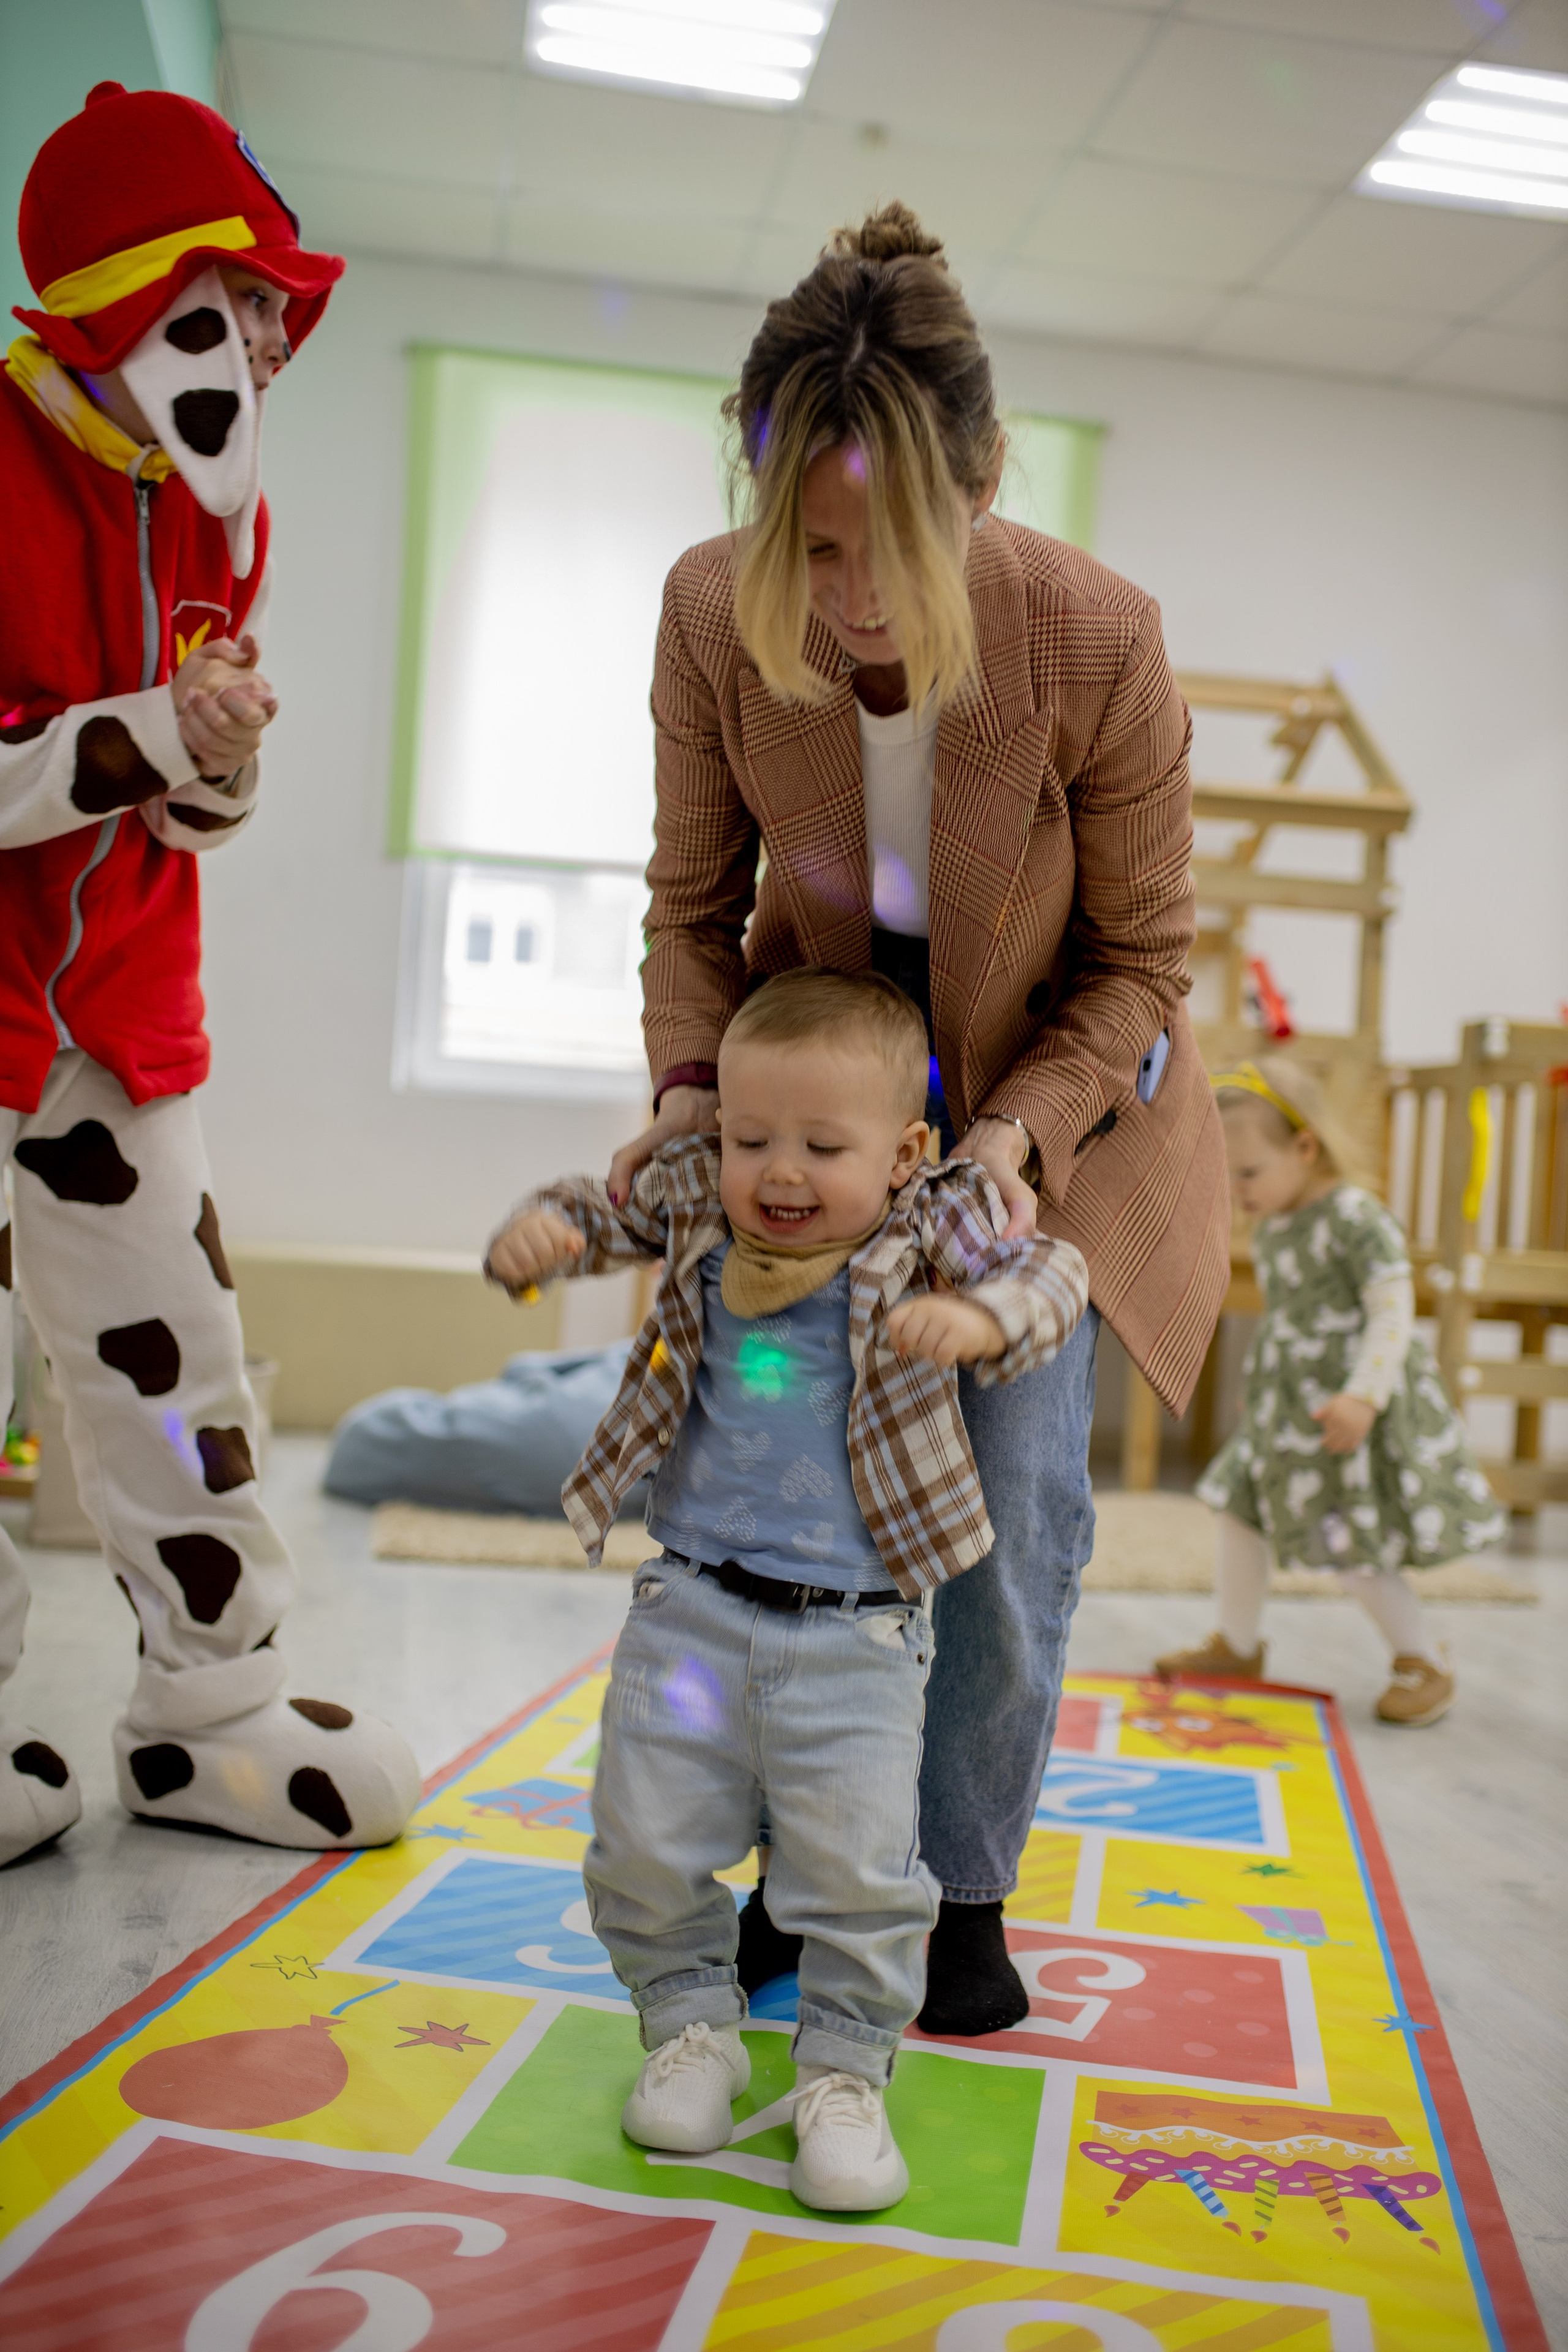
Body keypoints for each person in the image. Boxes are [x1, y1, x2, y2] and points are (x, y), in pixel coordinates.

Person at [605, 202, 1229, 2033]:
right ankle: (800, 1872)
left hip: (1053, 1116)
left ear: (981, 485)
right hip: (811, 1108)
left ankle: (956, 1885)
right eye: (813, 545)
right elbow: (684, 905)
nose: (854, 596)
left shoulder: (1095, 639)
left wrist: (1012, 1146)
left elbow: (1140, 969)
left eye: (893, 547)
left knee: (1010, 1508)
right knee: (775, 1500)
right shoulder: (714, 611)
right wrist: (694, 1109)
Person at [0, 83, 420, 1864]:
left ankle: (206, 1704)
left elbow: (181, 799)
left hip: (117, 1012)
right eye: (231, 308)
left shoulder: (213, 510)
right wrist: (145, 733)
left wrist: (213, 759)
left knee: (179, 1355)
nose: (260, 345)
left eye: (271, 317)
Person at [486, 970, 1088, 2209]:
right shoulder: (703, 1204)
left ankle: (844, 2080)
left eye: (823, 1145)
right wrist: (540, 1232)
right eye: (751, 1139)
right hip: (691, 1612)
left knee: (860, 1874)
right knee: (643, 1838)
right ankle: (689, 2028)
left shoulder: (930, 1220)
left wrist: (980, 1322)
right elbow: (596, 1204)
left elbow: (1055, 1277)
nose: (780, 1172)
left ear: (906, 1150)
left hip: (857, 1638)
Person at [1155, 1058, 1507, 1725]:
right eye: (1228, 1178)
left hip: (1345, 1414)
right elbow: (1289, 1323)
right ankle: (1236, 1642)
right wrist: (1260, 1393)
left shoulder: (1354, 1217)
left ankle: (1423, 1658)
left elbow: (1392, 1311)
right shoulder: (1281, 1226)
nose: (1238, 1192)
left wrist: (1363, 1396)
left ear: (1305, 1148)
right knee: (1238, 1511)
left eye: (1248, 1174)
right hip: (1286, 1417)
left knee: (1352, 1546)